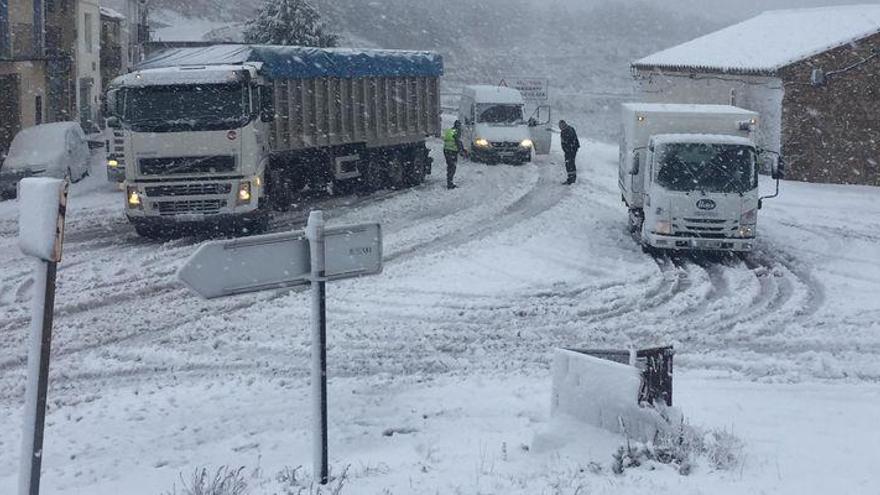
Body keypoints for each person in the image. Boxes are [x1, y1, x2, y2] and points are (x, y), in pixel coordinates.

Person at [442, 120, 465, 189]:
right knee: (452, 167)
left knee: (450, 166)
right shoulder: (457, 132)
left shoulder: (449, 130)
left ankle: (449, 182)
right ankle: (450, 183)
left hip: (446, 150)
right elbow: (458, 142)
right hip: (452, 151)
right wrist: (461, 151)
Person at [559, 120, 580, 185]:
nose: (560, 127)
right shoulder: (565, 130)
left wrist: (569, 149)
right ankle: (571, 178)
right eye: (560, 126)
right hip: (569, 150)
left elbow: (571, 140)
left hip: (571, 150)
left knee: (570, 164)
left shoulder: (568, 130)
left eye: (561, 125)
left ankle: (571, 179)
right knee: (569, 164)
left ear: (564, 124)